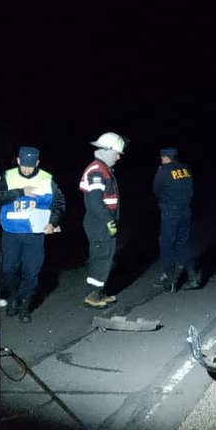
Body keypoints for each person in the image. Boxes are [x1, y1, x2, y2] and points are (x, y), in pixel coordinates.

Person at [0, 146, 65, 323]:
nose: (27, 169)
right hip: (11, 232)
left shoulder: (47, 179)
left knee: (31, 271)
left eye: (31, 166)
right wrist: (20, 192)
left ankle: (24, 305)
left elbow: (58, 202)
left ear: (37, 163)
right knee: (7, 269)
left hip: (35, 234)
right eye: (24, 165)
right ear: (18, 161)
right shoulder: (8, 176)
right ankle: (13, 297)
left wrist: (53, 222)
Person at [79, 131, 127, 308]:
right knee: (100, 257)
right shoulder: (97, 171)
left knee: (106, 257)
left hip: (104, 222)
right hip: (99, 223)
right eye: (117, 153)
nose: (118, 157)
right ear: (107, 150)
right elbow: (94, 202)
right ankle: (92, 295)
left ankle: (98, 291)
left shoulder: (103, 169)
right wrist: (108, 221)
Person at [152, 146, 200, 291]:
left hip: (171, 213)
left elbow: (156, 189)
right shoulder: (186, 169)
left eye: (162, 157)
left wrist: (165, 201)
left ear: (167, 158)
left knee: (166, 245)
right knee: (182, 244)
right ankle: (193, 277)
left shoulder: (163, 171)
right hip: (186, 211)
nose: (161, 160)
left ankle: (170, 281)